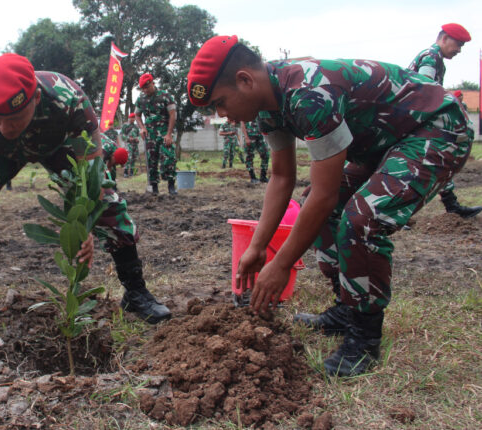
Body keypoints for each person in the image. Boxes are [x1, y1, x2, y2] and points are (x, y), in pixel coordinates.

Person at [188, 35, 473, 376]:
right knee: (318, 207)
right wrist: (258, 246)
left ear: (245, 80)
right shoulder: (267, 106)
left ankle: (364, 337)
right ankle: (346, 307)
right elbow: (282, 176)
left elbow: (325, 195)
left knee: (362, 218)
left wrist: (281, 264)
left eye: (220, 103)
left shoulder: (310, 95)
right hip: (385, 142)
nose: (221, 114)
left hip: (436, 129)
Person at [0, 54, 171, 337]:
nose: (5, 127)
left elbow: (91, 173)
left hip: (58, 146)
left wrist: (83, 224)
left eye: (13, 118)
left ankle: (135, 293)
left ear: (35, 98)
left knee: (106, 203)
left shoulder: (69, 99)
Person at [407, 23, 481, 219]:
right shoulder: (431, 58)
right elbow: (424, 89)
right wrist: (450, 99)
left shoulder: (435, 58)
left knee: (437, 159)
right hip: (413, 122)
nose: (459, 50)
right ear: (445, 38)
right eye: (458, 44)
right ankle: (398, 213)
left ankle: (451, 205)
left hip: (416, 121)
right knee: (425, 161)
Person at [134, 73, 177, 195]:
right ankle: (154, 187)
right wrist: (142, 128)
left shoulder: (165, 96)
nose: (145, 90)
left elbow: (173, 115)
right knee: (151, 160)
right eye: (143, 88)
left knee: (169, 157)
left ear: (153, 83)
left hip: (164, 132)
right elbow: (137, 115)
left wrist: (169, 134)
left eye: (147, 87)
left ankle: (171, 185)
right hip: (150, 134)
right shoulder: (141, 99)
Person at [241, 119, 269, 183]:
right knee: (249, 157)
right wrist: (246, 137)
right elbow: (242, 122)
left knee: (265, 155)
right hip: (250, 136)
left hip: (260, 136)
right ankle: (252, 177)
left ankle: (263, 177)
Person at [120, 113, 140, 177]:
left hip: (135, 144)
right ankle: (125, 172)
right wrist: (128, 138)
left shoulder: (136, 127)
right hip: (128, 144)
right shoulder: (125, 125)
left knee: (134, 157)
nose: (133, 119)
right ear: (129, 118)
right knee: (128, 157)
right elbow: (122, 135)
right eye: (131, 118)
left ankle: (131, 171)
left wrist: (138, 139)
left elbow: (138, 135)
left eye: (134, 118)